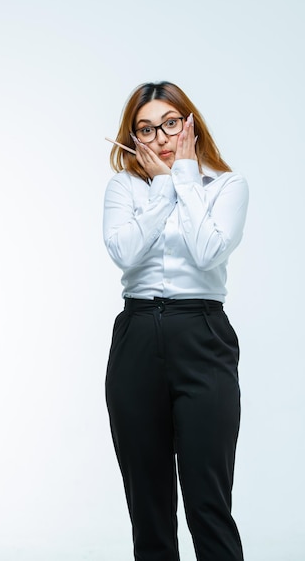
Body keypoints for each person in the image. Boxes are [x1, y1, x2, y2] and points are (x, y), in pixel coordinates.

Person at [103, 81, 249, 561]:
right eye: (145, 129)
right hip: (137, 333)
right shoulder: (125, 187)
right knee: (148, 506)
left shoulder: (226, 186)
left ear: (190, 123)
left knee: (208, 502)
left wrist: (183, 177)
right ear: (134, 139)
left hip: (202, 332)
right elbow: (123, 253)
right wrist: (161, 187)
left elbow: (209, 253)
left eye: (169, 123)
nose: (160, 137)